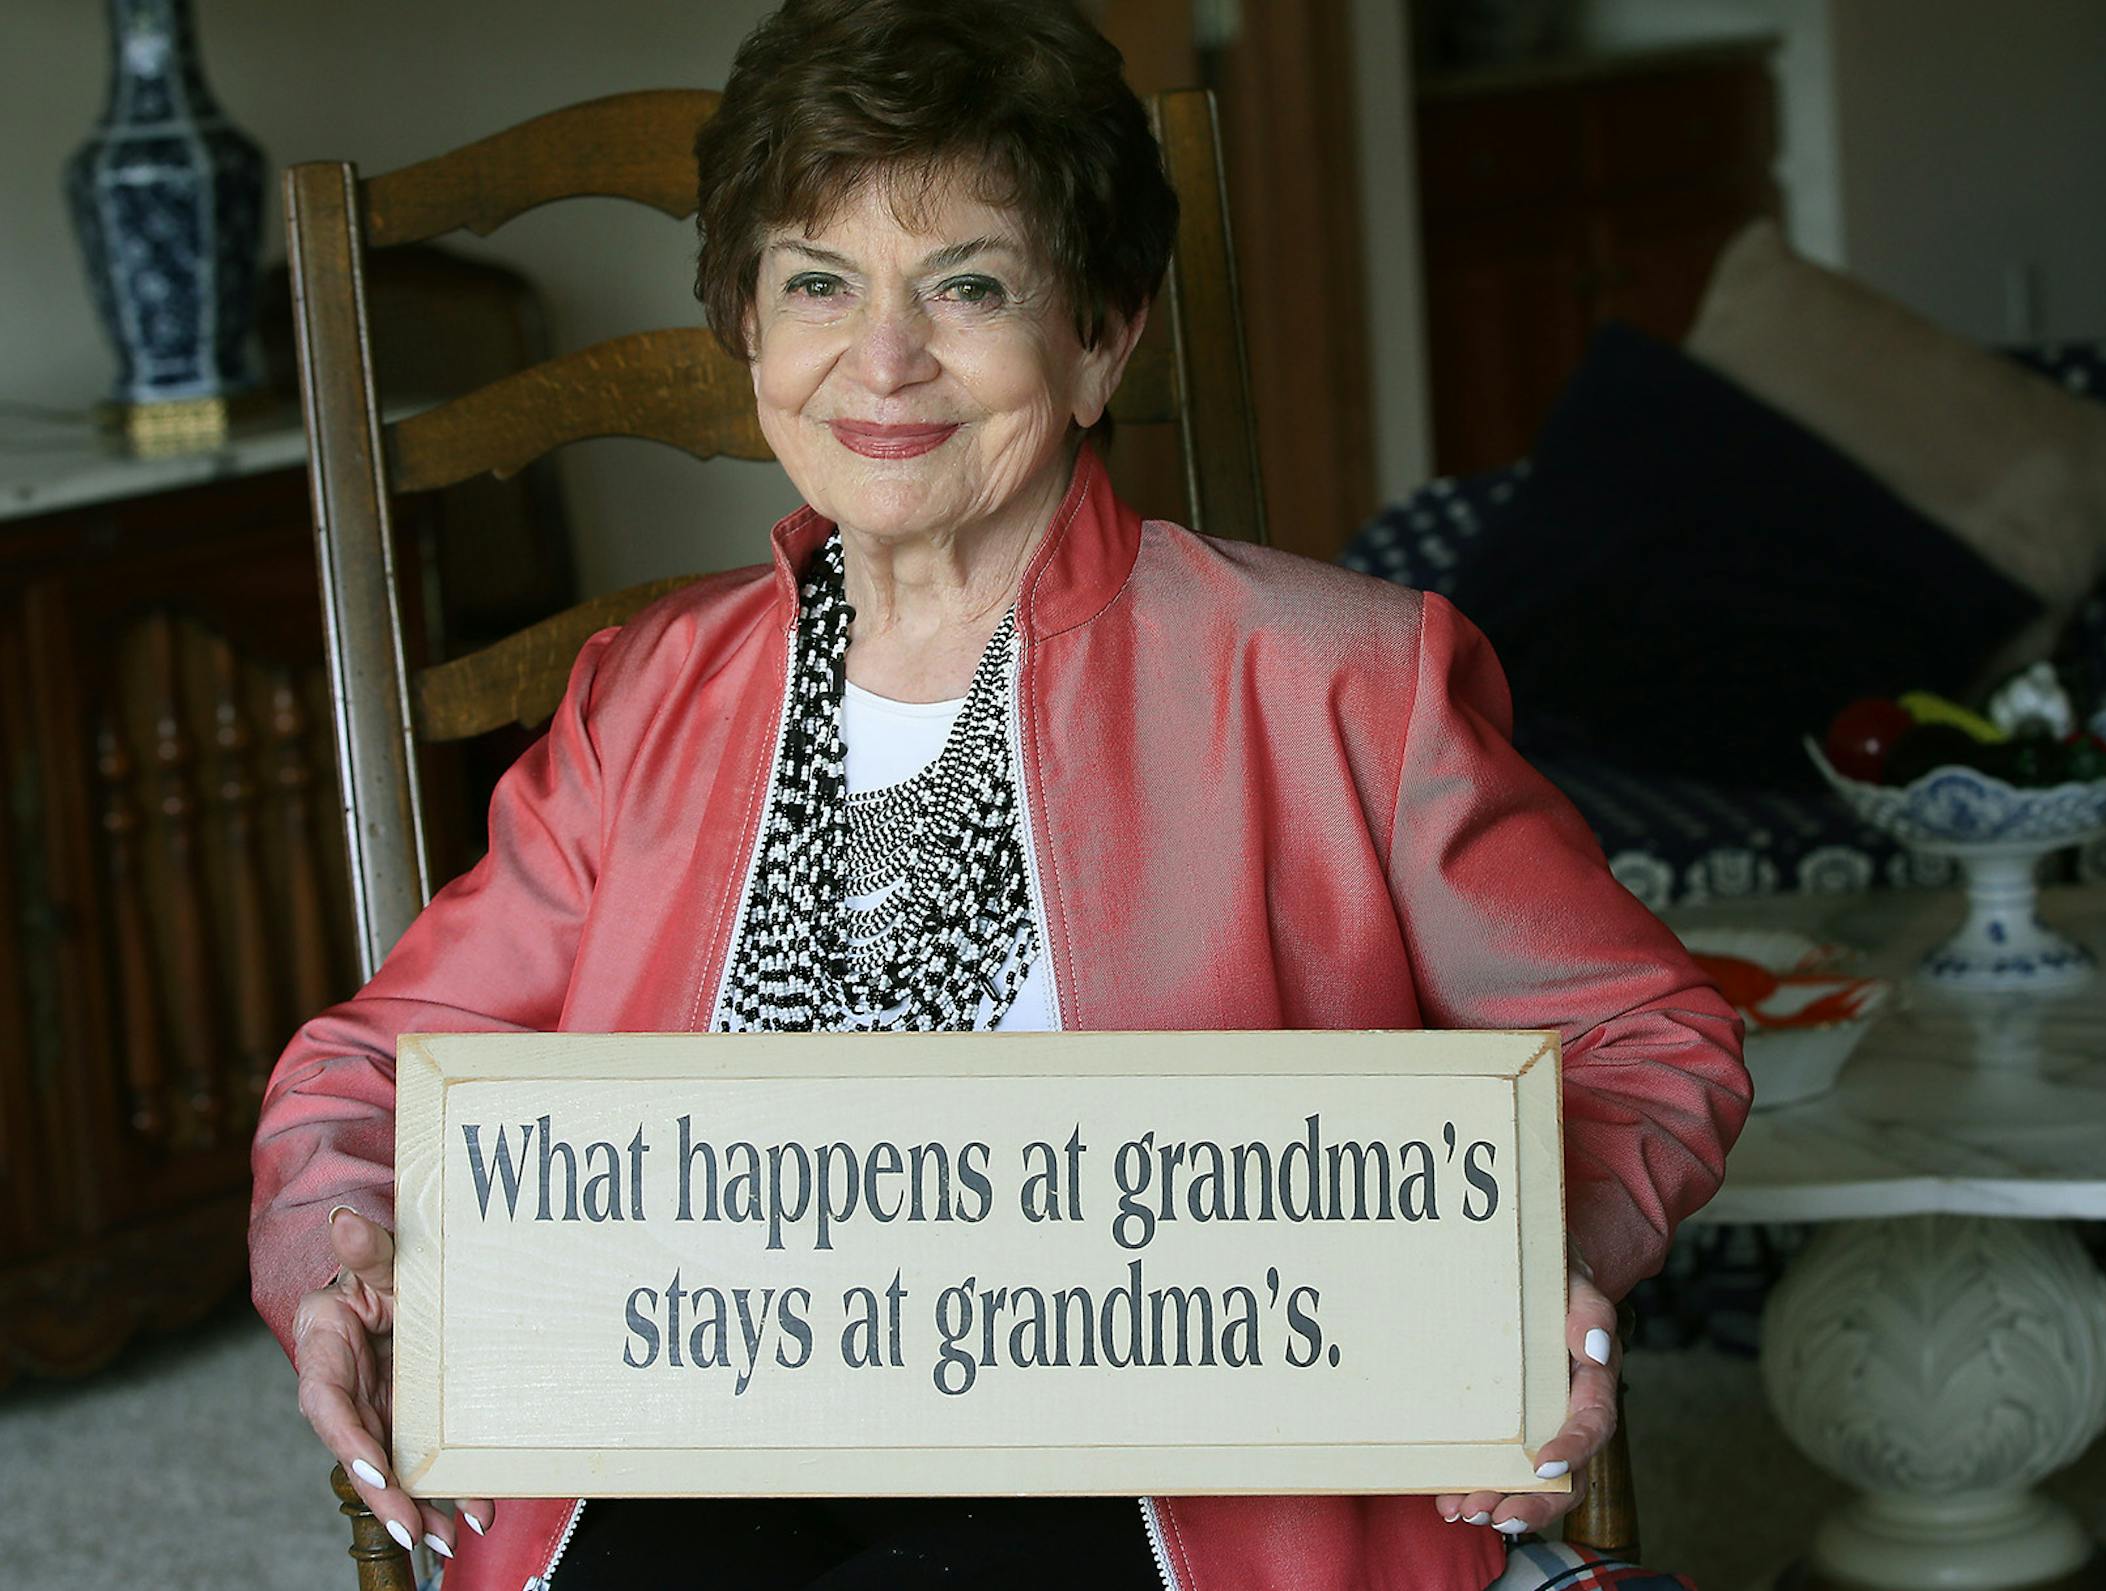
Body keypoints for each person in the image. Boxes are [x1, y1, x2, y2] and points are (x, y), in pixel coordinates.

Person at [250, 2, 1750, 1588]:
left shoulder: (1345, 682)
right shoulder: (645, 696)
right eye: (817, 283)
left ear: (1100, 338)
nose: (882, 359)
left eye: (967, 286)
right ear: (750, 331)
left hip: (1175, 1478)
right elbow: (374, 1074)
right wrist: (339, 1257)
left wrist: (1540, 1255)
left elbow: (1643, 1038)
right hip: (688, 1445)